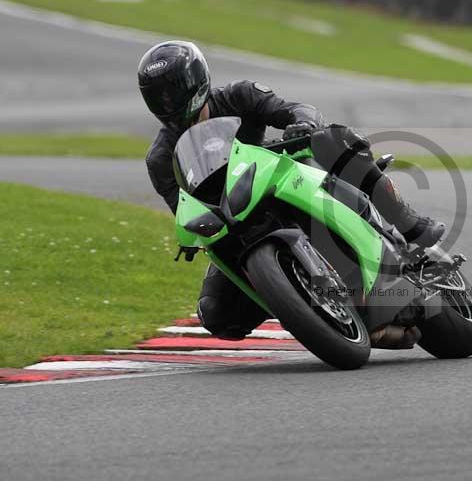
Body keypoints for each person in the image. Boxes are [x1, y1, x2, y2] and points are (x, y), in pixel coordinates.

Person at [138, 40, 445, 340]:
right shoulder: (160, 159)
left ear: (196, 80)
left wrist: (303, 123)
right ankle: (301, 302)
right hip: (233, 220)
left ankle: (408, 222)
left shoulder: (238, 96)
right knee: (215, 313)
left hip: (274, 177)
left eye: (173, 91)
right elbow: (184, 209)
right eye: (158, 96)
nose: (167, 102)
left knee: (331, 138)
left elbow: (295, 110)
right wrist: (193, 232)